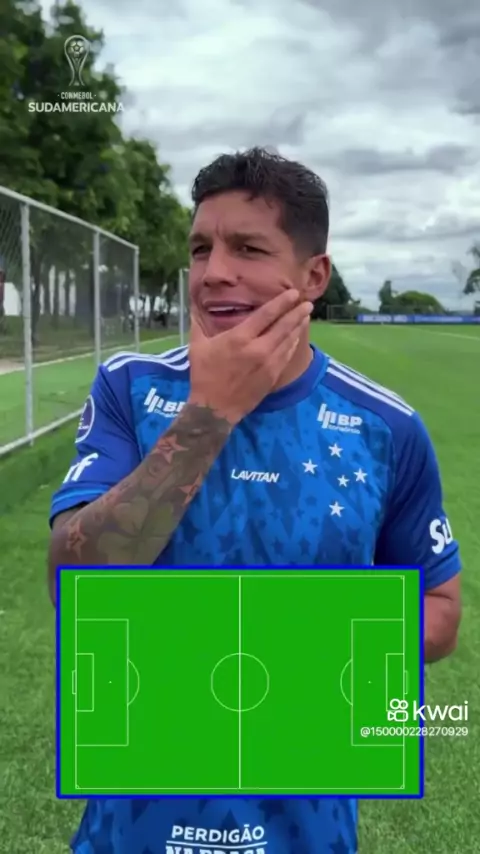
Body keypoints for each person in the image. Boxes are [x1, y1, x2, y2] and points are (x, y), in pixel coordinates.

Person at [48, 147, 462, 854]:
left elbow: (440, 611)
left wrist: (277, 653)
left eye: (247, 248)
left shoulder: (385, 426)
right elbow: (73, 581)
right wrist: (208, 415)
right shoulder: (128, 386)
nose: (213, 272)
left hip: (307, 829)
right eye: (200, 248)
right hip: (130, 832)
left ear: (314, 276)